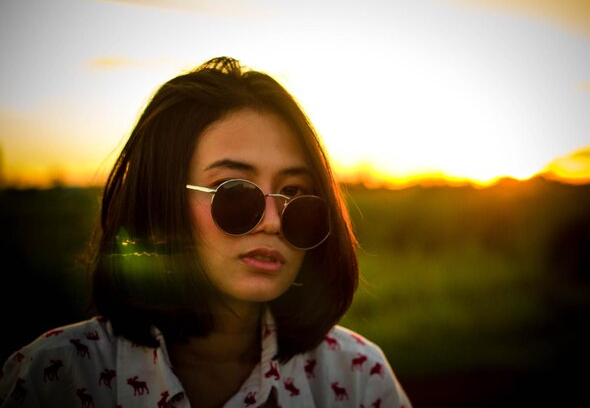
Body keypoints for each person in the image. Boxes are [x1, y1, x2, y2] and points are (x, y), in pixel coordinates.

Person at [0, 57, 412, 408]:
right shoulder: (54, 377)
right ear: (161, 201)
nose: (272, 220)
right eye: (233, 191)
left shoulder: (357, 377)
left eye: (294, 193)